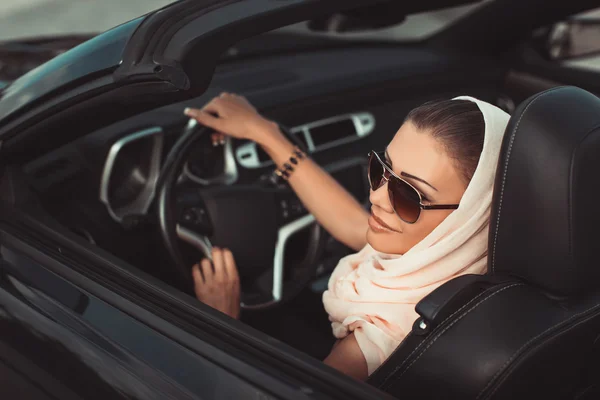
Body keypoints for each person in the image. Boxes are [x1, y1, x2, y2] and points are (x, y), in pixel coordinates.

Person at [183, 93, 510, 381]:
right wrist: (265, 133)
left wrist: (221, 324)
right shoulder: (466, 269)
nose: (377, 198)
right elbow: (355, 226)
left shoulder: (377, 344)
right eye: (381, 169)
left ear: (471, 217)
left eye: (408, 195)